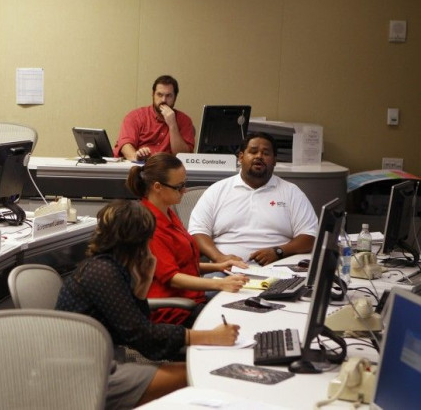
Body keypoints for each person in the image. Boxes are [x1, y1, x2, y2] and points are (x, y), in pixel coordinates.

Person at [56, 200, 240, 408]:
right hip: (88, 373)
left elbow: (137, 328)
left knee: (198, 371)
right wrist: (208, 337)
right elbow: (142, 336)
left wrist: (144, 282)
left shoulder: (111, 266)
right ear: (138, 240)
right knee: (201, 374)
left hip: (103, 359)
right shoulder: (102, 272)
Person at [126, 153, 249, 327]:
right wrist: (221, 284)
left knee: (247, 306)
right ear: (157, 187)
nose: (185, 190)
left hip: (191, 299)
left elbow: (183, 264)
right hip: (173, 311)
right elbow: (172, 277)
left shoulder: (168, 213)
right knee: (241, 320)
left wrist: (218, 266)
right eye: (179, 186)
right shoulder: (148, 225)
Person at [189, 132, 318, 266]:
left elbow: (310, 236)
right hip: (225, 270)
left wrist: (279, 251)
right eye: (253, 151)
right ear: (241, 157)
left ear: (274, 160)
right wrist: (219, 258)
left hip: (279, 269)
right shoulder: (217, 190)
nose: (259, 156)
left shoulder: (291, 192)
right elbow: (197, 232)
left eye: (266, 153)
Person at [114, 75, 195, 161]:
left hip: (169, 170)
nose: (163, 100)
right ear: (153, 94)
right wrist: (136, 157)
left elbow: (183, 156)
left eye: (169, 96)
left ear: (175, 97)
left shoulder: (184, 120)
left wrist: (172, 125)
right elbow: (125, 145)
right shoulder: (135, 116)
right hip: (140, 166)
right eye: (159, 95)